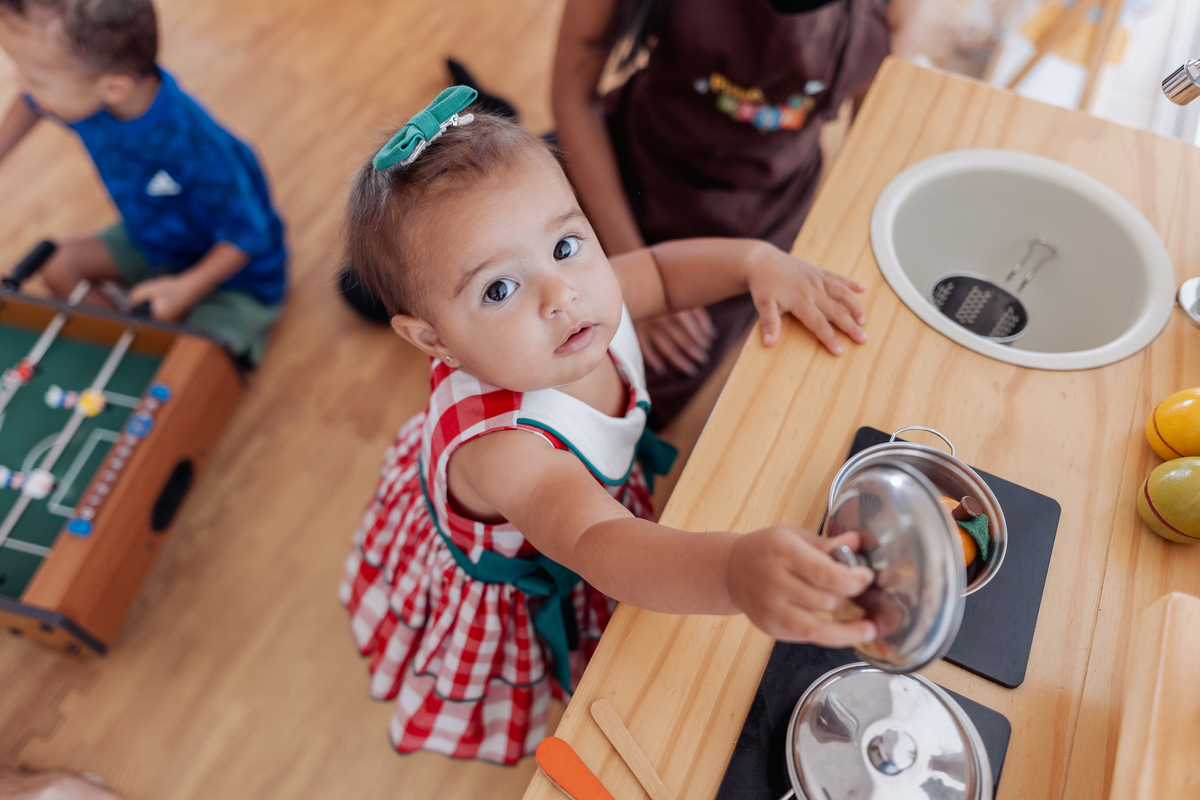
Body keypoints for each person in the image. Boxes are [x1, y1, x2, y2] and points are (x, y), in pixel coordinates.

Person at [339, 87, 874, 764]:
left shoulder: (579, 299)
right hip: (532, 558)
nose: (560, 295)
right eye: (499, 289)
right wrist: (734, 571)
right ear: (432, 340)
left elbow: (655, 271)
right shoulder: (507, 454)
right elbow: (601, 541)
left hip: (581, 502)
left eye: (566, 244)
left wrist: (753, 261)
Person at [553, 0, 890, 426]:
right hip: (630, 190)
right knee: (570, 390)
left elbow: (878, 119)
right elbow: (573, 97)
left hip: (766, 217)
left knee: (644, 402)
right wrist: (631, 268)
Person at [0, 0, 287, 366]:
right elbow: (31, 104)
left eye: (36, 78)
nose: (23, 86)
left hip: (236, 279)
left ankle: (160, 350)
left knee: (194, 365)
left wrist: (186, 289)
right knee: (57, 266)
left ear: (114, 87)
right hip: (152, 241)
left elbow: (249, 236)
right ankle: (129, 350)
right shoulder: (83, 97)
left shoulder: (193, 144)